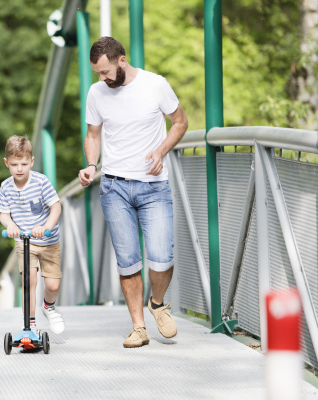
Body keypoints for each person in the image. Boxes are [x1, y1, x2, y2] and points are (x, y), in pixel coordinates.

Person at [78, 37, 188, 348]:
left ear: (121, 61)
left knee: (162, 257)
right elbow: (93, 134)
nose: (102, 79)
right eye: (97, 74)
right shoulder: (96, 93)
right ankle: (139, 327)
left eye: (105, 72)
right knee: (128, 262)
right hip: (114, 187)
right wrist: (90, 164)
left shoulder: (155, 85)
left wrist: (161, 151)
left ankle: (157, 303)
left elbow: (180, 122)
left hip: (154, 187)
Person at [0, 135, 65, 336]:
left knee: (52, 286)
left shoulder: (41, 181)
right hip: (24, 242)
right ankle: (30, 324)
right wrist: (10, 225)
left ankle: (49, 307)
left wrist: (46, 226)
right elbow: (4, 214)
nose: (20, 169)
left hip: (48, 241)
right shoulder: (6, 187)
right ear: (6, 163)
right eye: (14, 164)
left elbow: (56, 208)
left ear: (32, 162)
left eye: (24, 164)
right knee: (29, 281)